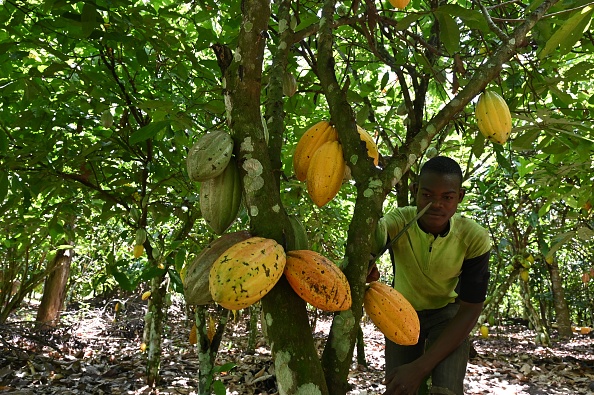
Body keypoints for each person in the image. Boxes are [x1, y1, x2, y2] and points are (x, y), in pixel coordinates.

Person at [368, 156, 492, 395]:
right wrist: (366, 263)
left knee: (445, 390)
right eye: (427, 195)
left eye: (447, 197)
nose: (436, 204)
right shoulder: (399, 221)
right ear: (415, 192)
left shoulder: (473, 237)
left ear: (460, 198)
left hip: (447, 315)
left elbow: (471, 307)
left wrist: (419, 368)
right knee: (399, 387)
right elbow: (369, 244)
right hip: (400, 311)